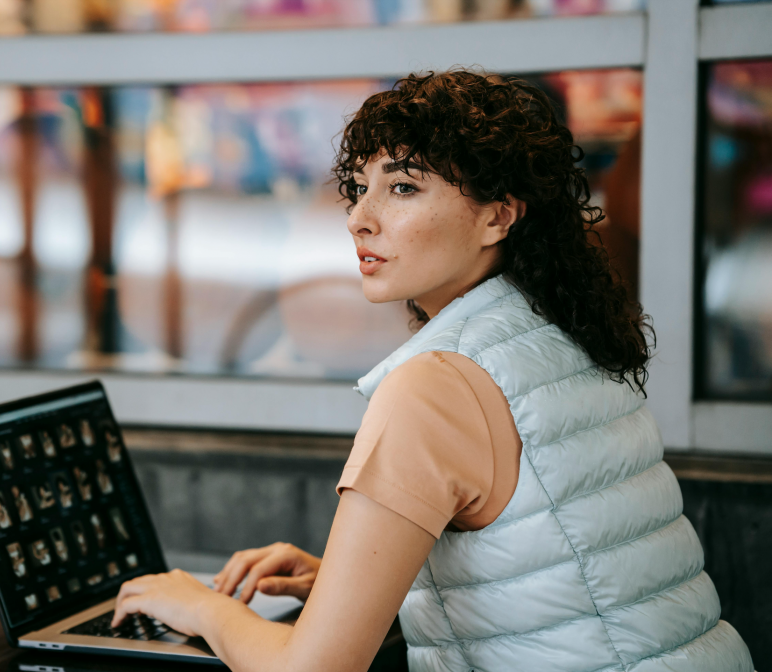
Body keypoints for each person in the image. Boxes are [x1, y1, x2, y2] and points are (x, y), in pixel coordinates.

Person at [110, 71, 754, 672]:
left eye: (404, 187)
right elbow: (568, 563)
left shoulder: (434, 383)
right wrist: (349, 581)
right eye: (360, 188)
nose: (361, 218)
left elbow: (312, 668)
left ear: (498, 215)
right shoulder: (561, 337)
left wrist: (199, 606)